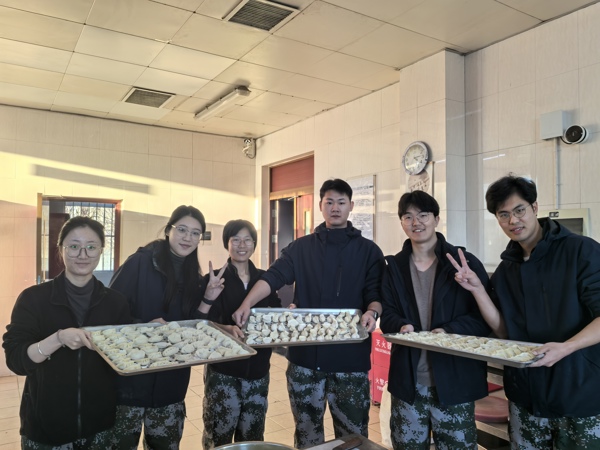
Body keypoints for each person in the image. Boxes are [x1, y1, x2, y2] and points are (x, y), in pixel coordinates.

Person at [447, 175, 600, 449]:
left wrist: (566, 347)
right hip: (525, 396)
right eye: (503, 214)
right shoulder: (507, 269)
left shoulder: (580, 251)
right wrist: (478, 289)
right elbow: (504, 330)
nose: (513, 221)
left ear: (535, 207)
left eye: (519, 210)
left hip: (578, 393)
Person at [232, 178, 384, 449]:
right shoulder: (301, 248)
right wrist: (247, 303)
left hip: (350, 363)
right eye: (329, 202)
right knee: (307, 437)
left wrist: (372, 311)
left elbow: (375, 293)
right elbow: (274, 277)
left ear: (351, 206)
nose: (335, 208)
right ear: (320, 206)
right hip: (305, 363)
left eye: (341, 202)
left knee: (353, 438)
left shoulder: (368, 251)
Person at [3, 216, 131, 449]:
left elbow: (123, 355)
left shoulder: (115, 302)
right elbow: (16, 361)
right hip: (46, 428)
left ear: (101, 250)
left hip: (99, 426)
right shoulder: (34, 299)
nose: (83, 254)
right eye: (74, 246)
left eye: (91, 247)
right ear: (61, 249)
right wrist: (58, 338)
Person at [379, 191, 490, 450]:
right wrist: (401, 326)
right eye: (408, 216)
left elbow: (482, 319)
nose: (416, 222)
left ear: (437, 219)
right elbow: (388, 314)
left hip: (454, 382)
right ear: (401, 222)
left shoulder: (462, 263)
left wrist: (448, 330)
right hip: (409, 383)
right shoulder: (394, 267)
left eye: (423, 215)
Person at [109, 205, 219, 450]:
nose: (188, 237)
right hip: (131, 381)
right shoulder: (140, 262)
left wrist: (208, 297)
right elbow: (110, 310)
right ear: (169, 230)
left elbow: (192, 328)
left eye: (195, 233)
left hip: (170, 385)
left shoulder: (193, 276)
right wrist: (142, 327)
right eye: (182, 229)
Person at [198, 219, 281, 449]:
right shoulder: (214, 279)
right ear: (227, 243)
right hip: (223, 373)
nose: (242, 245)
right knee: (218, 437)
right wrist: (225, 328)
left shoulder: (264, 280)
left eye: (247, 240)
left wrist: (287, 313)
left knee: (252, 438)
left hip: (258, 372)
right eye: (236, 240)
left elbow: (275, 315)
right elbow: (201, 323)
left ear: (254, 244)